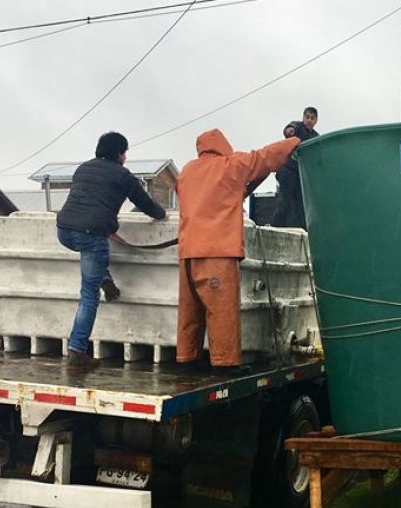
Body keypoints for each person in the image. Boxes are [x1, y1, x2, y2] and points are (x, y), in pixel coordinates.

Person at [175, 128, 300, 372]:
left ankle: (187, 358)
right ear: (223, 145)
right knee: (221, 310)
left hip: (188, 252)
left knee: (190, 311)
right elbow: (264, 157)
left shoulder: (188, 171)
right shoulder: (231, 165)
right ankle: (224, 362)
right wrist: (293, 142)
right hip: (217, 251)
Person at [56, 131, 167, 369]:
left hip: (64, 231)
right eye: (125, 153)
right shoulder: (123, 176)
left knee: (93, 258)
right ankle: (77, 350)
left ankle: (105, 278)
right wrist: (162, 215)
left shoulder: (83, 168)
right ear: (119, 153)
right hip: (91, 236)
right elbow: (147, 205)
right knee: (89, 294)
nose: (126, 158)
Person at [273, 106, 319, 229]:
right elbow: (291, 128)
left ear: (316, 121)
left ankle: (302, 231)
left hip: (301, 175)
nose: (309, 120)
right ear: (303, 118)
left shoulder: (316, 137)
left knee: (301, 205)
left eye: (312, 118)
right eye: (307, 117)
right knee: (284, 201)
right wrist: (290, 131)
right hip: (288, 170)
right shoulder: (298, 127)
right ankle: (277, 228)